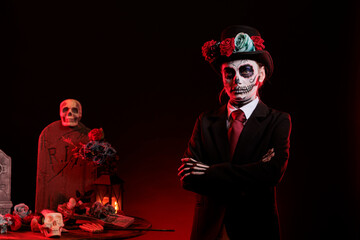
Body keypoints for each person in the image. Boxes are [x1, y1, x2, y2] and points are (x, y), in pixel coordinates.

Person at [178, 25, 291, 240]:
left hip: (256, 230)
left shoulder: (278, 120)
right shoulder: (205, 121)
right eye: (229, 72)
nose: (236, 79)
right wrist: (251, 172)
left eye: (245, 70)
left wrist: (210, 171)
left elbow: (272, 173)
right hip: (209, 231)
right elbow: (188, 178)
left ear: (261, 74)